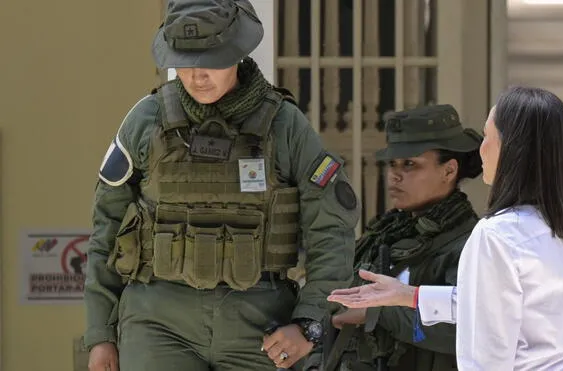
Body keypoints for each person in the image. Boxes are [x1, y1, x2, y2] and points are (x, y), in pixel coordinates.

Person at [83, 1, 360, 370]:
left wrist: (309, 322)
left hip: (259, 323)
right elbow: (106, 229)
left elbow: (331, 229)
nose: (197, 75)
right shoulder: (145, 121)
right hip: (157, 322)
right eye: (184, 61)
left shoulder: (285, 126)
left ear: (238, 54)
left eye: (211, 60)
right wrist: (100, 333)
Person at [328, 86, 563, 370]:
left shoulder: (498, 234)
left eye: (488, 136)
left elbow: (486, 357)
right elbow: (501, 308)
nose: (481, 149)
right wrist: (410, 296)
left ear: (513, 150)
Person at [325, 105, 483, 371]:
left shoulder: (470, 243)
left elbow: (468, 329)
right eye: (392, 164)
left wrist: (378, 312)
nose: (395, 175)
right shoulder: (388, 231)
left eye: (410, 164)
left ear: (449, 170)